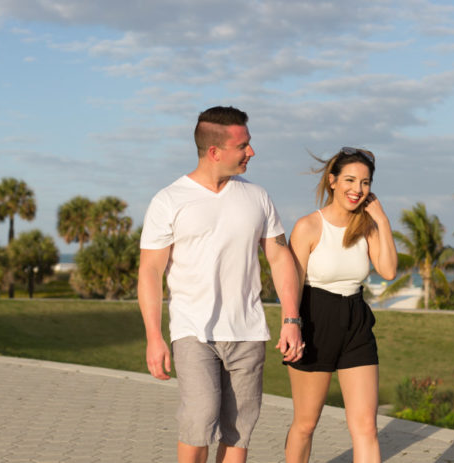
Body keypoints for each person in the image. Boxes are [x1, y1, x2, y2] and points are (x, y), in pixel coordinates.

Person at [138, 106, 304, 463]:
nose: (251, 151)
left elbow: (279, 257)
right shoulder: (169, 201)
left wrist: (292, 319)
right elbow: (150, 272)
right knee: (199, 418)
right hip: (193, 331)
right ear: (215, 152)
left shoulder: (257, 196)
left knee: (239, 431)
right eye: (243, 145)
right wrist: (154, 337)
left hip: (248, 332)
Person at [284, 147, 398, 463]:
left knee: (366, 427)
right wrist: (290, 325)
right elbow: (291, 286)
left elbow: (388, 271)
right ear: (332, 181)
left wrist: (382, 219)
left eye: (365, 182)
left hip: (357, 323)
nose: (357, 189)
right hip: (314, 320)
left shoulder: (368, 227)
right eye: (350, 180)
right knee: (306, 424)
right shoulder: (308, 226)